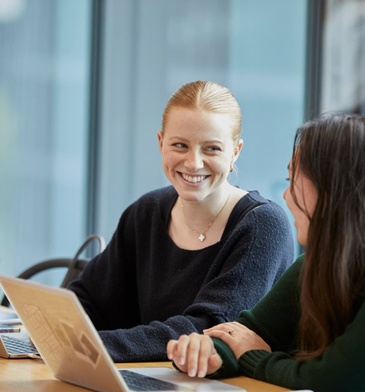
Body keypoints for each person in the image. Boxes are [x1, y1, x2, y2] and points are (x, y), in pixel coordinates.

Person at [167, 113, 365, 392]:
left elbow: (341, 382)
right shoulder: (316, 265)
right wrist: (202, 352)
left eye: (294, 179)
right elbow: (243, 334)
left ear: (333, 187)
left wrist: (254, 357)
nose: (287, 195)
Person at [69, 80, 294, 363]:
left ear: (235, 151)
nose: (193, 163)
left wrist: (86, 344)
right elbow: (89, 300)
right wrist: (47, 332)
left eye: (211, 148)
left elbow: (206, 330)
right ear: (161, 142)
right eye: (180, 145)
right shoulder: (147, 211)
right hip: (152, 383)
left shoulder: (263, 225)